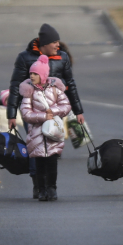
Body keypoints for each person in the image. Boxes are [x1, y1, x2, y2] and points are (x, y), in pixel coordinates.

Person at [7, 23, 85, 198]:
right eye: (54, 42)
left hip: (55, 115)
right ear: (44, 44)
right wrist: (11, 114)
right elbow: (15, 87)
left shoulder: (62, 58)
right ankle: (38, 185)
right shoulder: (25, 58)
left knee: (51, 151)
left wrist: (78, 111)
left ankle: (51, 188)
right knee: (36, 148)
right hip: (33, 114)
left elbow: (70, 85)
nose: (58, 45)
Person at [19, 55, 71, 201]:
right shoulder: (29, 92)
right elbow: (25, 113)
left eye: (35, 73)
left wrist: (53, 112)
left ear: (43, 75)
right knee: (40, 163)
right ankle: (41, 189)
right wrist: (42, 116)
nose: (32, 76)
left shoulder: (55, 89)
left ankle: (52, 188)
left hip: (53, 132)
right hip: (36, 133)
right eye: (31, 73)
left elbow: (66, 106)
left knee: (52, 162)